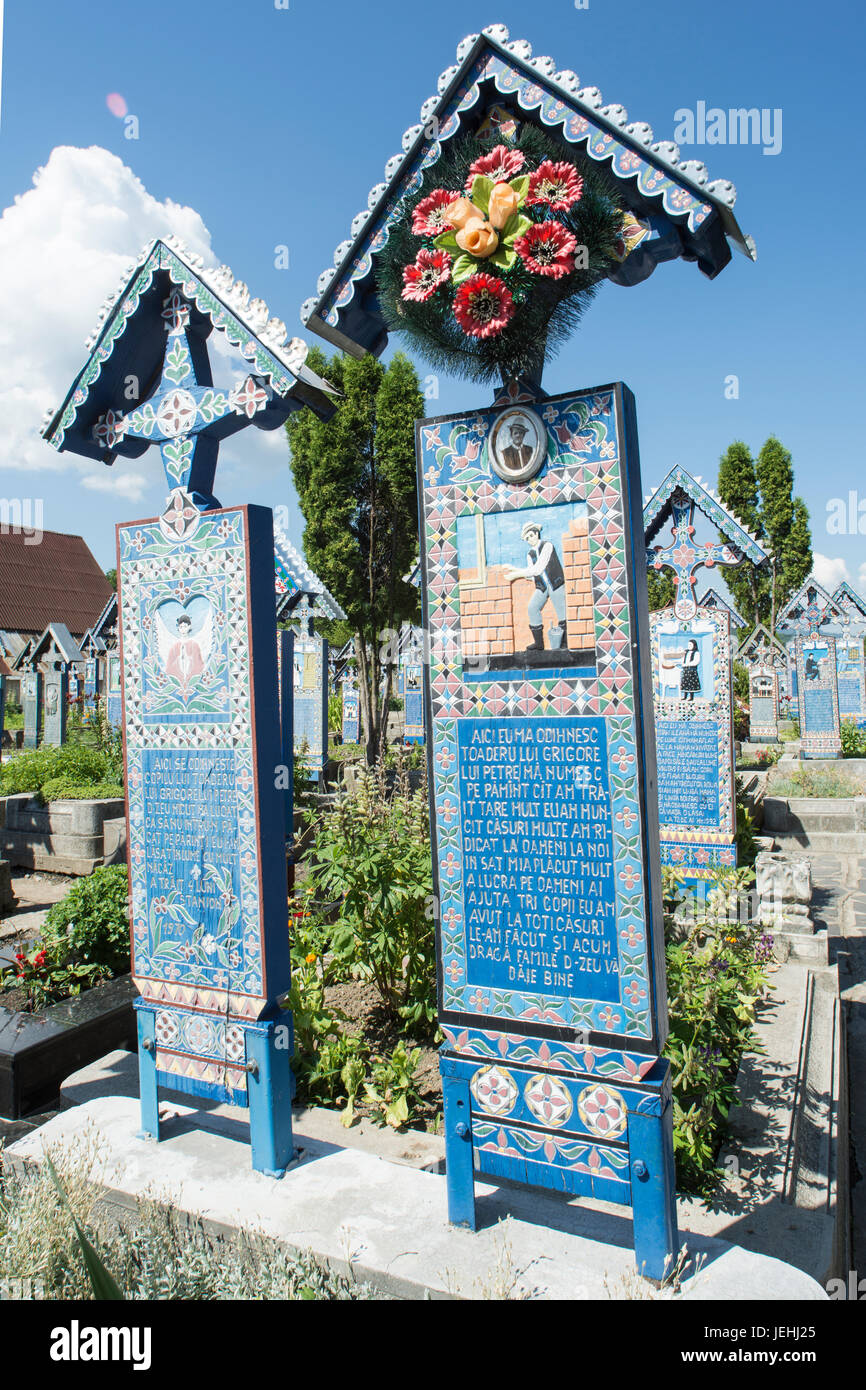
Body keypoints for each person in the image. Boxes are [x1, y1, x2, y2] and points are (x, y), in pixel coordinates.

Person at [504, 520, 567, 651]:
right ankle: (539, 644)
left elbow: (538, 569)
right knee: (532, 607)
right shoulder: (530, 554)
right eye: (527, 538)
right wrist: (514, 569)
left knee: (561, 612)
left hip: (555, 583)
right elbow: (531, 575)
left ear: (537, 533)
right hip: (542, 586)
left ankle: (564, 644)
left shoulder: (547, 546)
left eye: (531, 535)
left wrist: (516, 574)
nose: (530, 539)